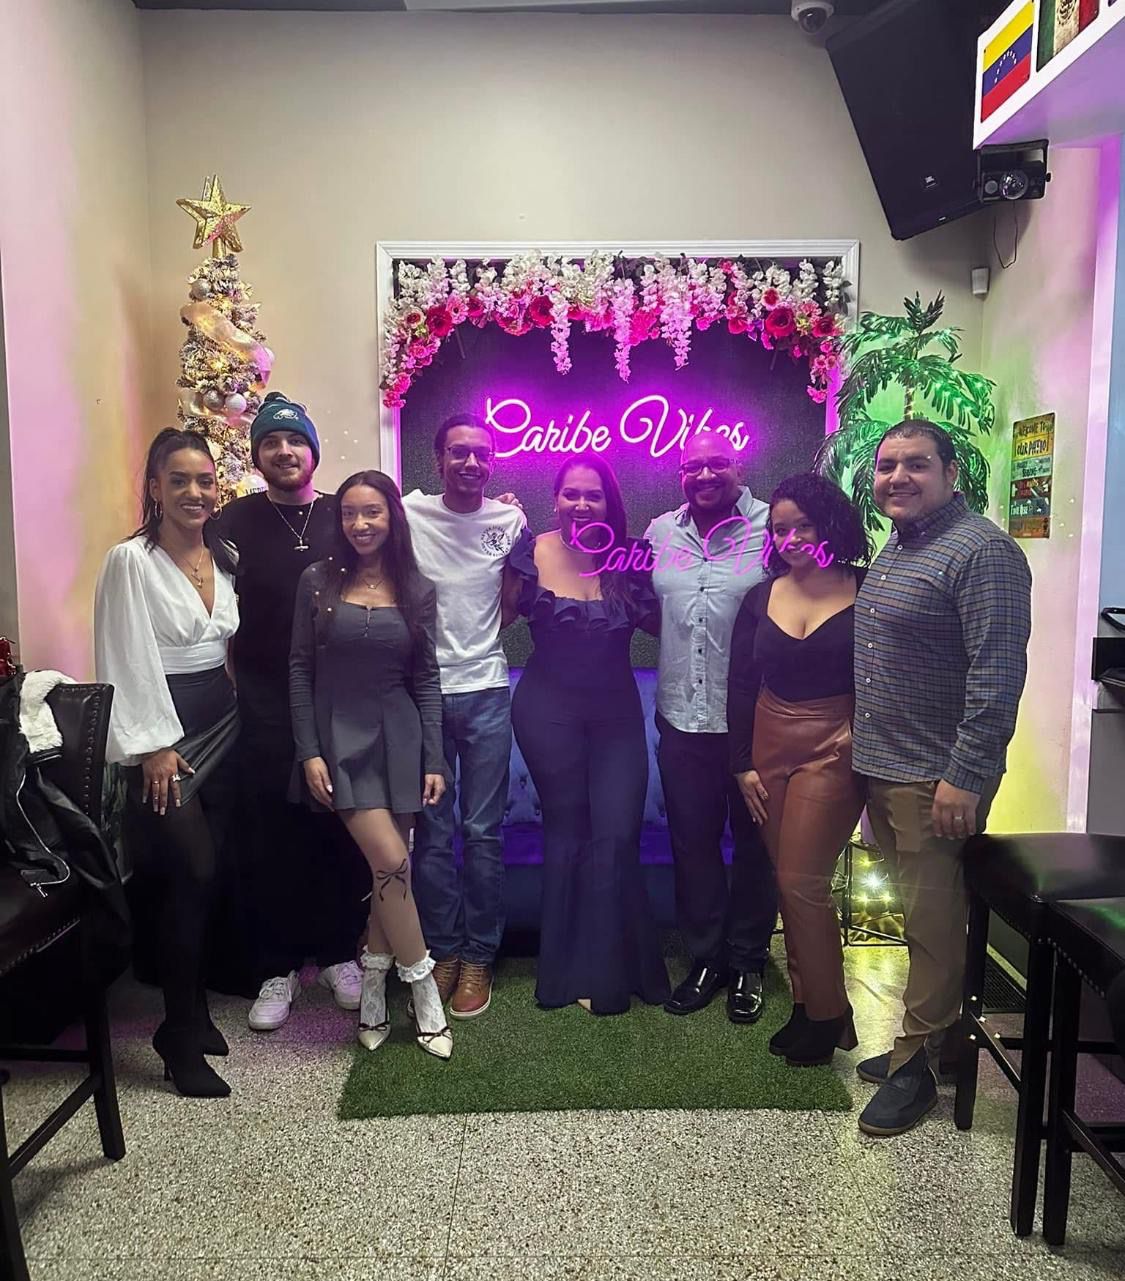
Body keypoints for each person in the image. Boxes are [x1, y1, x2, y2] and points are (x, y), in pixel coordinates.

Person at [851, 420, 1031, 1137]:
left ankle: (917, 1064)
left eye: (915, 464)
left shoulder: (982, 552)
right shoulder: (899, 544)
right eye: (887, 465)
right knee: (915, 917)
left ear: (951, 472)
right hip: (885, 767)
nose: (897, 476)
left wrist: (965, 775)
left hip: (935, 777)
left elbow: (996, 675)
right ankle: (937, 1040)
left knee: (930, 922)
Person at [94, 428, 240, 1098]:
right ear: (153, 486)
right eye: (177, 479)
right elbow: (123, 654)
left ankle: (197, 1013)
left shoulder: (224, 553)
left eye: (203, 479)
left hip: (224, 725)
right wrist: (152, 743)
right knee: (192, 871)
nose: (193, 492)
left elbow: (224, 652)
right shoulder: (129, 560)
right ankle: (177, 1038)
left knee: (210, 883)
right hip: (165, 737)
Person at [216, 393, 368, 1033]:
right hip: (264, 702)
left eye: (294, 441)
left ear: (312, 450)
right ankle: (276, 968)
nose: (284, 451)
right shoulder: (232, 523)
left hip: (340, 699)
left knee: (339, 823)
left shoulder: (343, 515)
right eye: (271, 442)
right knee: (272, 830)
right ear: (257, 454)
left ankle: (338, 953)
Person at [289, 470, 452, 1059]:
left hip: (402, 738)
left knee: (396, 871)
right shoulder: (317, 581)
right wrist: (309, 749)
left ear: (391, 519)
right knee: (388, 860)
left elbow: (427, 678)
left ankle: (376, 986)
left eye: (373, 513)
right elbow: (301, 670)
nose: (360, 524)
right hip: (339, 739)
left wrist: (433, 754)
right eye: (350, 514)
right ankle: (424, 984)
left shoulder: (416, 587)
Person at [509, 452, 670, 1014]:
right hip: (545, 710)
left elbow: (667, 614)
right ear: (555, 499)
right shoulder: (530, 551)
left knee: (617, 835)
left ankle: (616, 969)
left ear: (610, 502)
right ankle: (567, 973)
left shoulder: (631, 557)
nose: (581, 503)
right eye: (571, 493)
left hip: (616, 716)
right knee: (567, 833)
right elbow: (490, 611)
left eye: (593, 495)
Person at [727, 473, 872, 1067]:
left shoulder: (868, 587)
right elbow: (738, 685)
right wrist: (741, 764)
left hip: (835, 746)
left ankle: (829, 1014)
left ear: (830, 524)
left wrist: (861, 729)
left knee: (801, 882)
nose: (789, 538)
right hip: (767, 743)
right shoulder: (761, 596)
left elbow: (890, 673)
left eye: (802, 526)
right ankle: (805, 1002)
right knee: (784, 878)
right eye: (779, 528)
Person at [645, 429, 778, 1022]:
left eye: (716, 463)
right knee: (692, 844)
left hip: (756, 723)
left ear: (738, 465)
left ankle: (747, 960)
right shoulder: (659, 532)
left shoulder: (775, 527)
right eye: (691, 467)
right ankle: (706, 958)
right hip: (682, 717)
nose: (703, 476)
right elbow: (651, 611)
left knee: (756, 846)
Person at [403, 414, 526, 1019]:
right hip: (423, 694)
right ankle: (443, 949)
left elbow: (512, 599)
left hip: (486, 691)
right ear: (438, 459)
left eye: (482, 453)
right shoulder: (408, 512)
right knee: (431, 832)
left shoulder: (510, 520)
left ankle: (479, 954)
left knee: (482, 833)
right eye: (459, 453)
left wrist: (479, 644)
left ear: (494, 460)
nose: (471, 463)